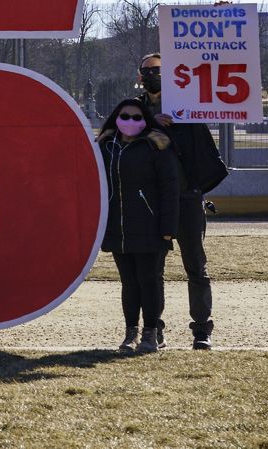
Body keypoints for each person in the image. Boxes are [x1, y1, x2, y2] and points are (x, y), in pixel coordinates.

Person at [136, 52, 228, 349]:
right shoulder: (134, 111)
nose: (152, 75)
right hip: (154, 202)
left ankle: (201, 329)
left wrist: (220, 15)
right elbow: (118, 135)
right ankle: (154, 329)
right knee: (153, 270)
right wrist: (151, 121)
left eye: (158, 70)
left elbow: (215, 76)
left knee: (196, 266)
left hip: (187, 198)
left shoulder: (188, 107)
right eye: (147, 71)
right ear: (140, 76)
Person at [97, 98, 181, 353]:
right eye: (125, 116)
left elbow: (170, 187)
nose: (130, 122)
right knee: (129, 282)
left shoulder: (157, 145)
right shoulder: (106, 146)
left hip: (150, 225)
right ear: (116, 118)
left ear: (145, 119)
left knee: (149, 280)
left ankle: (151, 333)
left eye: (136, 117)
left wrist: (168, 228)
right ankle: (130, 333)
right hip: (118, 226)